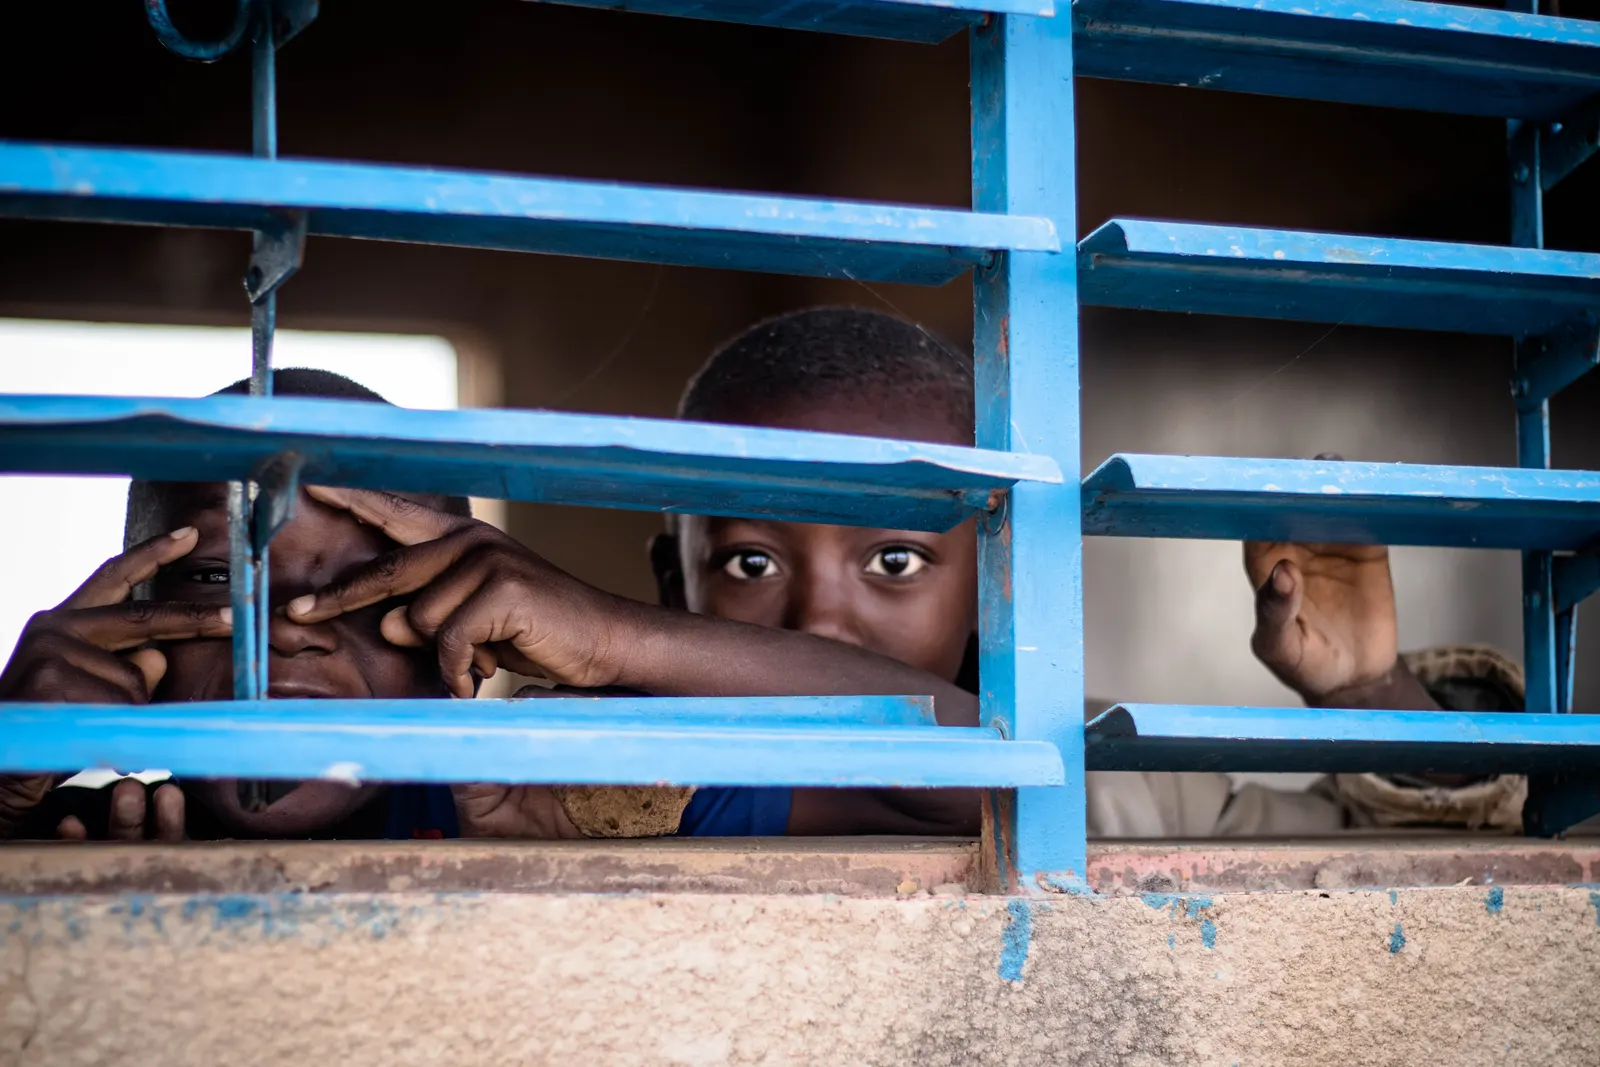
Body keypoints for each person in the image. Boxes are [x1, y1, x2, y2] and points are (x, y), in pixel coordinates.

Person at [644, 306, 1528, 837]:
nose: (819, 621)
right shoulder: (618, 783)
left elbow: (1402, 892)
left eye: (896, 558)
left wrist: (1368, 692)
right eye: (750, 561)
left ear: (996, 581)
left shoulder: (1117, 790)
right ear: (672, 586)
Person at [0, 368, 979, 840]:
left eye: (365, 581)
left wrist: (607, 634)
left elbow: (989, 776)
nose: (291, 627)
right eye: (216, 579)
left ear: (449, 630)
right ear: (120, 627)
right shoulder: (66, 832)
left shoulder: (561, 796)